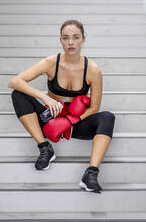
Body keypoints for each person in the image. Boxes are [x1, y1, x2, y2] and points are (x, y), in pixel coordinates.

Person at [9, 19, 115, 193]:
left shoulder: (93, 70)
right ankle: (45, 148)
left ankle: (91, 174)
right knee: (18, 94)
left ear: (83, 39)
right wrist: (45, 98)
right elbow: (15, 81)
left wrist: (69, 121)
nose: (71, 42)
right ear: (60, 40)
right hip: (49, 118)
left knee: (107, 117)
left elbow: (94, 108)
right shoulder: (51, 62)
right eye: (66, 38)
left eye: (75, 37)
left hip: (76, 122)